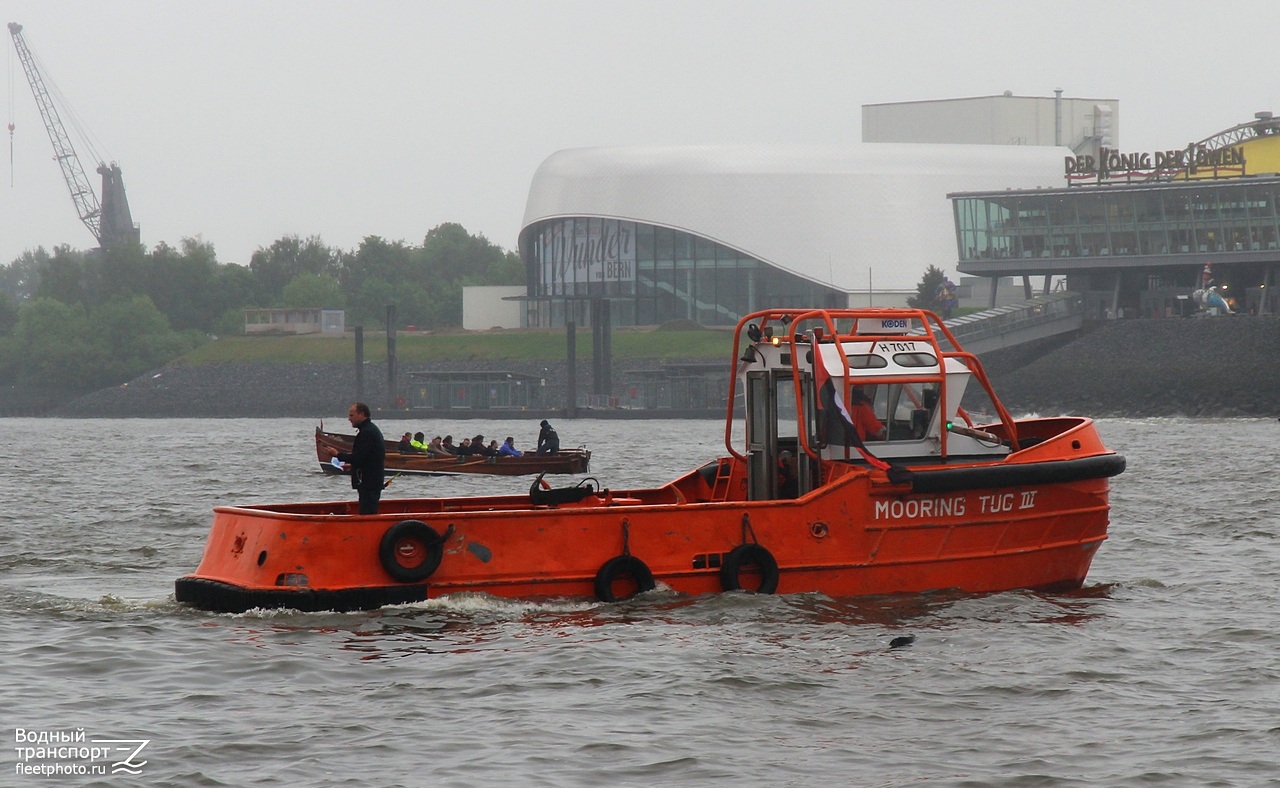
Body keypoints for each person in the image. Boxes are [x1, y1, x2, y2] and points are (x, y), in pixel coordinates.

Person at [319, 402, 385, 515]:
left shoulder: (367, 433)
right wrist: (352, 466)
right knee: (368, 510)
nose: (349, 419)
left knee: (367, 513)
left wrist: (337, 455)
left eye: (352, 415)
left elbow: (358, 457)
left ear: (361, 414)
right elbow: (368, 457)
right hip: (372, 480)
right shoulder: (370, 429)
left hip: (369, 482)